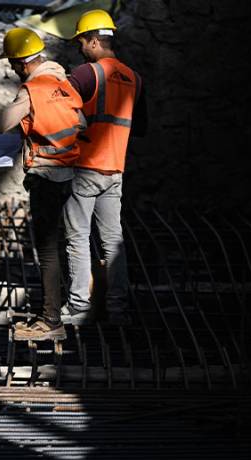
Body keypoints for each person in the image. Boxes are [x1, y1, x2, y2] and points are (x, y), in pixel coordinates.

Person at [0, 28, 86, 342]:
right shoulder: (62, 81)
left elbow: (2, 123)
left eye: (12, 64)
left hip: (47, 177)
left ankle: (51, 321)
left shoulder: (32, 88)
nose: (12, 69)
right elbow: (81, 124)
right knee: (69, 244)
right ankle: (69, 309)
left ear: (21, 63)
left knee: (48, 251)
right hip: (70, 173)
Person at [61, 9, 147, 326]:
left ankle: (80, 308)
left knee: (78, 238)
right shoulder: (135, 79)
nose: (81, 48)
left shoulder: (87, 74)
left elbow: (57, 111)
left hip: (84, 168)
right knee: (113, 241)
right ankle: (118, 309)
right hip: (114, 172)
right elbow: (139, 128)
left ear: (95, 40)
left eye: (83, 42)